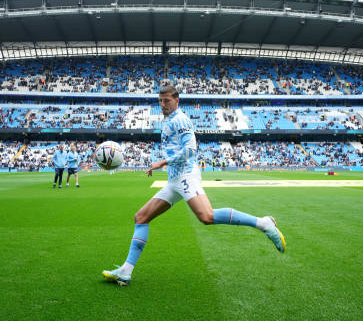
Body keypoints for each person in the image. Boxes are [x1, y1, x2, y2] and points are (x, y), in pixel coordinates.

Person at [103, 85, 285, 286]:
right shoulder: (170, 120)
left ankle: (263, 223)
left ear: (177, 100)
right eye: (160, 101)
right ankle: (126, 272)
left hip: (186, 176)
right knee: (141, 217)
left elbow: (190, 150)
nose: (163, 105)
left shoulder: (180, 120)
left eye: (167, 101)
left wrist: (161, 162)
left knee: (207, 216)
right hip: (175, 180)